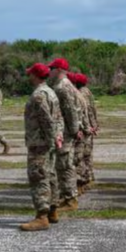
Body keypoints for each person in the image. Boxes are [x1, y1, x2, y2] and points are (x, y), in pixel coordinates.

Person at [20, 63, 63, 231]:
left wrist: (52, 139)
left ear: (36, 75)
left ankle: (42, 216)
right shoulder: (51, 92)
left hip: (40, 143)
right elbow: (58, 118)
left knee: (38, 177)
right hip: (48, 142)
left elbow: (47, 121)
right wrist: (58, 136)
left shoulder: (39, 95)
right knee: (50, 175)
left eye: (31, 74)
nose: (29, 76)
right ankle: (53, 211)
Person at [47, 58, 84, 212]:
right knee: (63, 165)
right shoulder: (63, 86)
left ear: (59, 70)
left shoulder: (63, 87)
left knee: (65, 166)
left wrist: (75, 130)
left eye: (52, 69)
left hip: (66, 133)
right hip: (65, 131)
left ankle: (70, 199)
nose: (49, 72)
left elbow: (70, 111)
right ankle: (66, 196)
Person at [71, 73, 98, 192]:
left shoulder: (80, 94)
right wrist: (94, 124)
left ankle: (84, 179)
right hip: (89, 126)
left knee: (82, 155)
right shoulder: (87, 91)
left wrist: (88, 127)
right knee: (88, 154)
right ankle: (89, 176)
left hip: (85, 127)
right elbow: (93, 109)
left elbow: (86, 112)